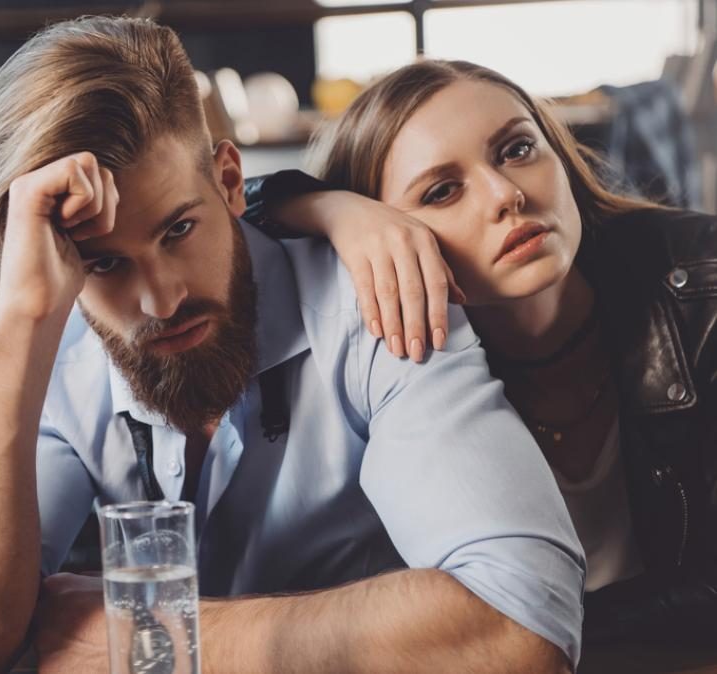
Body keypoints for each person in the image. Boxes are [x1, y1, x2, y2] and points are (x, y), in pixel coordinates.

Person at [0, 19, 585, 673]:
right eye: (104, 264)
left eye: (177, 231)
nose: (160, 301)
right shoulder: (51, 347)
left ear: (228, 180)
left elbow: (521, 627)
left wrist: (153, 642)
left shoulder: (377, 305)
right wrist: (14, 325)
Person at [243, 58, 717, 644]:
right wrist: (327, 209)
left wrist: (516, 644)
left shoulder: (704, 287)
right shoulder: (389, 365)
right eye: (442, 191)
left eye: (516, 150)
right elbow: (223, 226)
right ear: (385, 241)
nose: (505, 195)